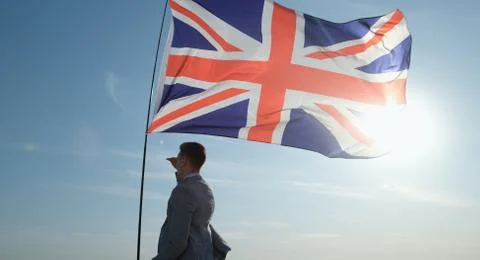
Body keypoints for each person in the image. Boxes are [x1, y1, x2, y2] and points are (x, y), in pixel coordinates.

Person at [153, 142, 231, 260]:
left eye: (179, 157)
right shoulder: (206, 188)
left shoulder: (183, 191)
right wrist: (180, 166)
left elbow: (177, 244)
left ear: (183, 160)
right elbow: (187, 196)